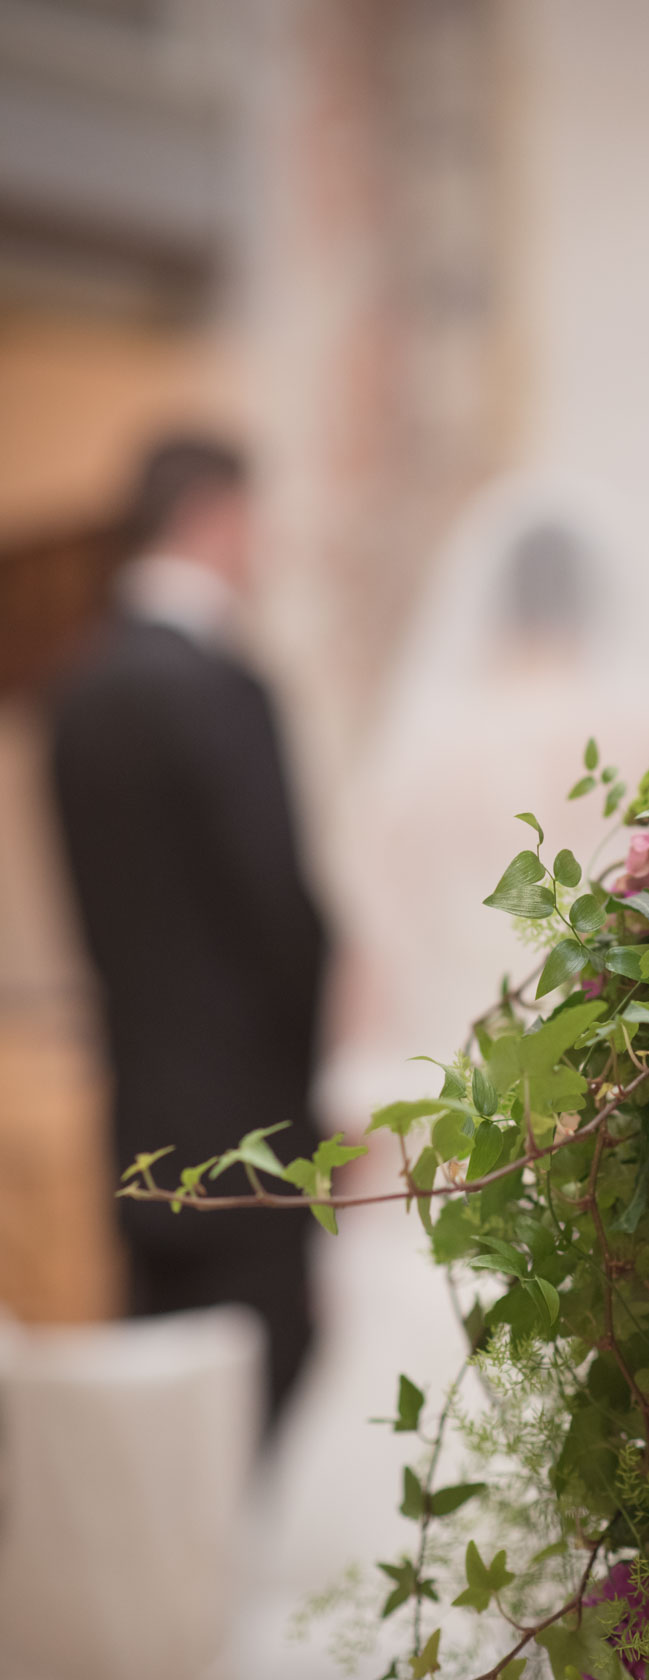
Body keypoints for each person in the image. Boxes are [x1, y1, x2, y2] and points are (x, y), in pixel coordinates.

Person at [50, 435, 328, 1422]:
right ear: (217, 517)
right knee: (260, 1412)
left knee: (164, 1426)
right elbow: (281, 926)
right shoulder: (222, 691)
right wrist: (316, 1105)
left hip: (141, 1126)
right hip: (251, 1140)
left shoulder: (75, 694)